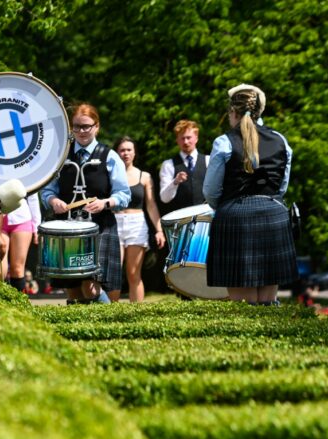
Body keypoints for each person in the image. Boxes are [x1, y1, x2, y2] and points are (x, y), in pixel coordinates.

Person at [203, 83, 296, 304]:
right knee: (268, 304)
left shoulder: (224, 142)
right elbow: (282, 186)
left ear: (232, 111)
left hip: (235, 217)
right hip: (275, 215)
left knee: (244, 307)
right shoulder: (281, 140)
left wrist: (226, 207)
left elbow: (210, 191)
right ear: (260, 111)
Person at [40, 103, 131, 303]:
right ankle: (79, 330)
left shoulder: (110, 157)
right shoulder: (60, 156)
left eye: (87, 126)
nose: (82, 131)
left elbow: (124, 195)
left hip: (100, 227)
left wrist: (105, 203)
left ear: (96, 126)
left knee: (90, 286)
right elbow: (47, 191)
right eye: (77, 126)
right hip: (67, 229)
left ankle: (107, 325)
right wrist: (53, 201)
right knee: (72, 287)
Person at [110, 136, 166, 302]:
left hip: (137, 224)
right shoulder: (109, 174)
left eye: (129, 150)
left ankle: (137, 314)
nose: (125, 153)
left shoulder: (145, 176)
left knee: (134, 274)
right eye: (122, 150)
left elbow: (151, 205)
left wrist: (159, 230)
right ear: (116, 152)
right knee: (113, 272)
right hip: (115, 222)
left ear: (134, 153)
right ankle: (109, 314)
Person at [158, 119, 210, 215]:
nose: (185, 142)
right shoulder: (168, 165)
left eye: (189, 137)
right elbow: (164, 198)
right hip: (180, 220)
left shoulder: (209, 161)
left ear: (196, 138)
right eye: (182, 138)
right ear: (177, 140)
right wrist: (175, 182)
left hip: (206, 219)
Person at [0, 193, 41, 292]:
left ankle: (19, 304)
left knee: (18, 269)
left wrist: (36, 226)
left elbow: (33, 197)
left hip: (21, 219)